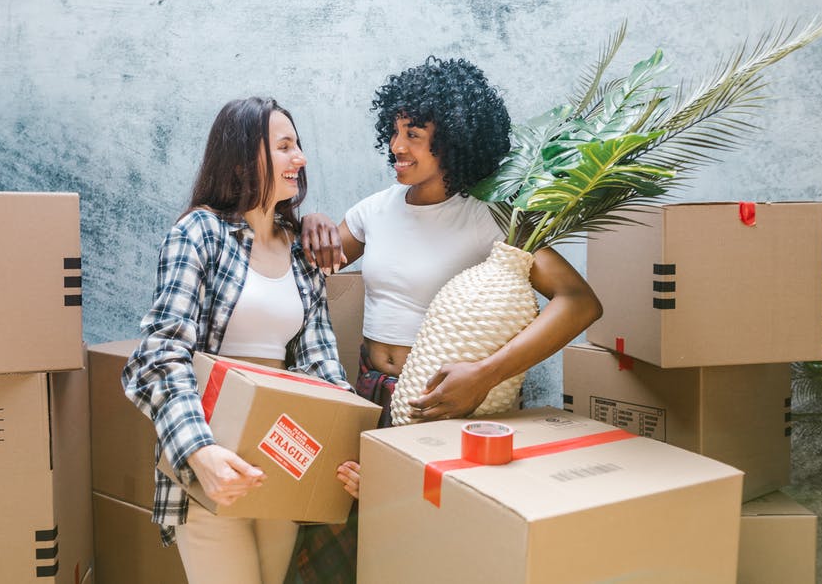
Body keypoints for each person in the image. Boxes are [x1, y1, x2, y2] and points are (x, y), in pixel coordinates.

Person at [289, 58, 603, 583]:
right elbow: (308, 263)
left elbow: (579, 302)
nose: (397, 145)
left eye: (414, 134)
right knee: (339, 546)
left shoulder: (490, 219)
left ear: (455, 140)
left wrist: (486, 375)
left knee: (424, 552)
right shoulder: (376, 210)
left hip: (444, 407)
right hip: (369, 396)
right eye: (393, 130)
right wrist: (312, 220)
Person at [121, 96, 354, 584]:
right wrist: (198, 454)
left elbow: (322, 366)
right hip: (212, 461)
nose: (301, 158)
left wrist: (347, 450)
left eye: (299, 145)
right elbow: (159, 355)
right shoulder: (200, 233)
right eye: (285, 146)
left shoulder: (300, 251)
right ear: (246, 157)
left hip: (281, 461)